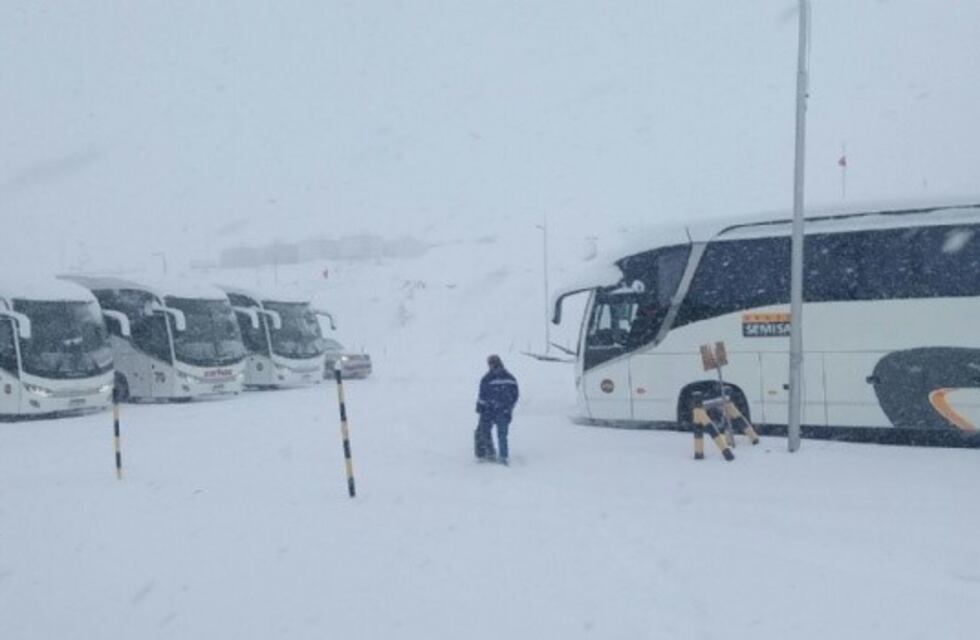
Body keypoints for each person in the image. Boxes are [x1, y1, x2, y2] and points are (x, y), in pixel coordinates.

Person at [474, 354, 519, 465]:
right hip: (504, 411)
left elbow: (482, 396)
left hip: (489, 411)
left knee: (485, 431)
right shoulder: (510, 378)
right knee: (502, 435)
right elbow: (515, 395)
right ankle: (503, 457)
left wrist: (480, 408)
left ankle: (490, 453)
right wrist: (509, 407)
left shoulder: (487, 378)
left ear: (491, 364)